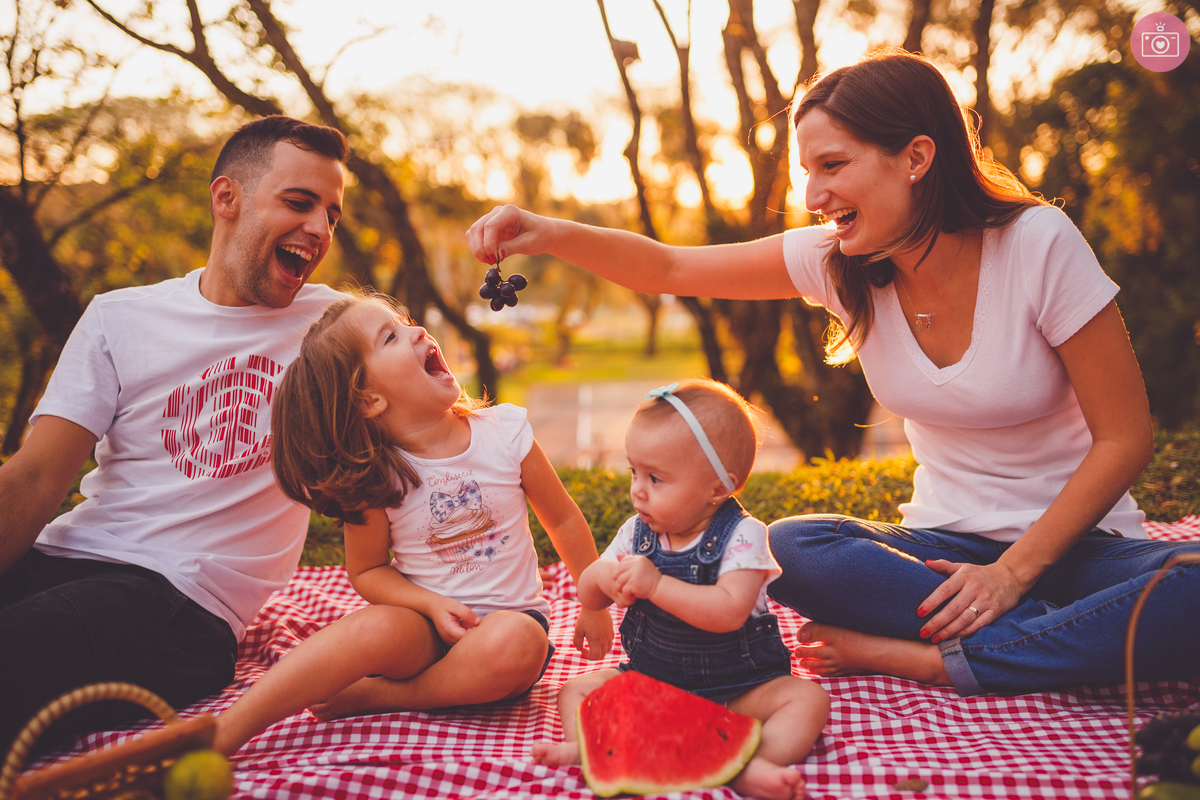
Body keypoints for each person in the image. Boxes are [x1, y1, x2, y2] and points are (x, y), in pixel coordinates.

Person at [466, 48, 1200, 696]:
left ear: (915, 157)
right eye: (806, 171)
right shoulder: (837, 262)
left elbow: (1125, 439)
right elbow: (669, 267)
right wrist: (546, 232)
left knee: (1192, 591)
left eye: (832, 166)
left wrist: (1012, 576)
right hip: (934, 561)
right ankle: (1061, 643)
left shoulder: (1038, 243)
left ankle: (937, 660)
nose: (813, 196)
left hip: (1079, 550)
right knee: (794, 545)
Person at [0, 115, 350, 747]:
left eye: (332, 214)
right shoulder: (118, 317)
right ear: (227, 198)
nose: (321, 228)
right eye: (300, 203)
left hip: (180, 603)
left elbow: (434, 421)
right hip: (61, 558)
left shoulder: (334, 327)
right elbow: (34, 475)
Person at [211, 292, 614, 755]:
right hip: (423, 629)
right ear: (368, 400)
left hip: (507, 629)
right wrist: (430, 605)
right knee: (368, 630)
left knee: (520, 642)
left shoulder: (506, 433)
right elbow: (368, 571)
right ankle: (226, 731)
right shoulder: (376, 475)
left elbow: (562, 518)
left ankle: (384, 697)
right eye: (391, 336)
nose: (417, 330)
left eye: (404, 322)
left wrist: (595, 603)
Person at [532, 379, 828, 800]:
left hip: (741, 690)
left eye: (655, 478)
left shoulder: (744, 535)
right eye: (634, 471)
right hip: (654, 686)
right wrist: (601, 581)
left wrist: (655, 585)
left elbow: (729, 611)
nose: (637, 489)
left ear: (718, 489)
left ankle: (744, 762)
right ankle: (597, 748)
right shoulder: (636, 534)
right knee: (576, 690)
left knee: (807, 700)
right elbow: (589, 591)